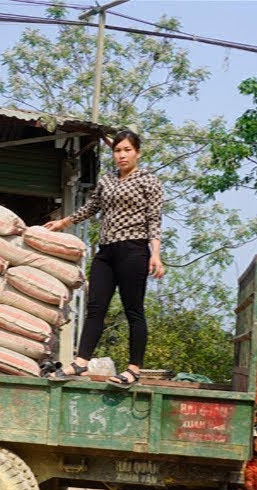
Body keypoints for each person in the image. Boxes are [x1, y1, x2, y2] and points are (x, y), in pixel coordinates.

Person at [43, 130, 165, 387]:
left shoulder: (148, 181)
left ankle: (133, 369)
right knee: (95, 307)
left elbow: (154, 220)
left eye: (127, 150)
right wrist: (64, 222)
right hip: (106, 252)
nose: (121, 155)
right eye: (117, 150)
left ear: (137, 153)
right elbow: (92, 207)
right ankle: (81, 361)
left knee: (134, 310)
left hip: (134, 250)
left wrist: (156, 254)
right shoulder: (107, 180)